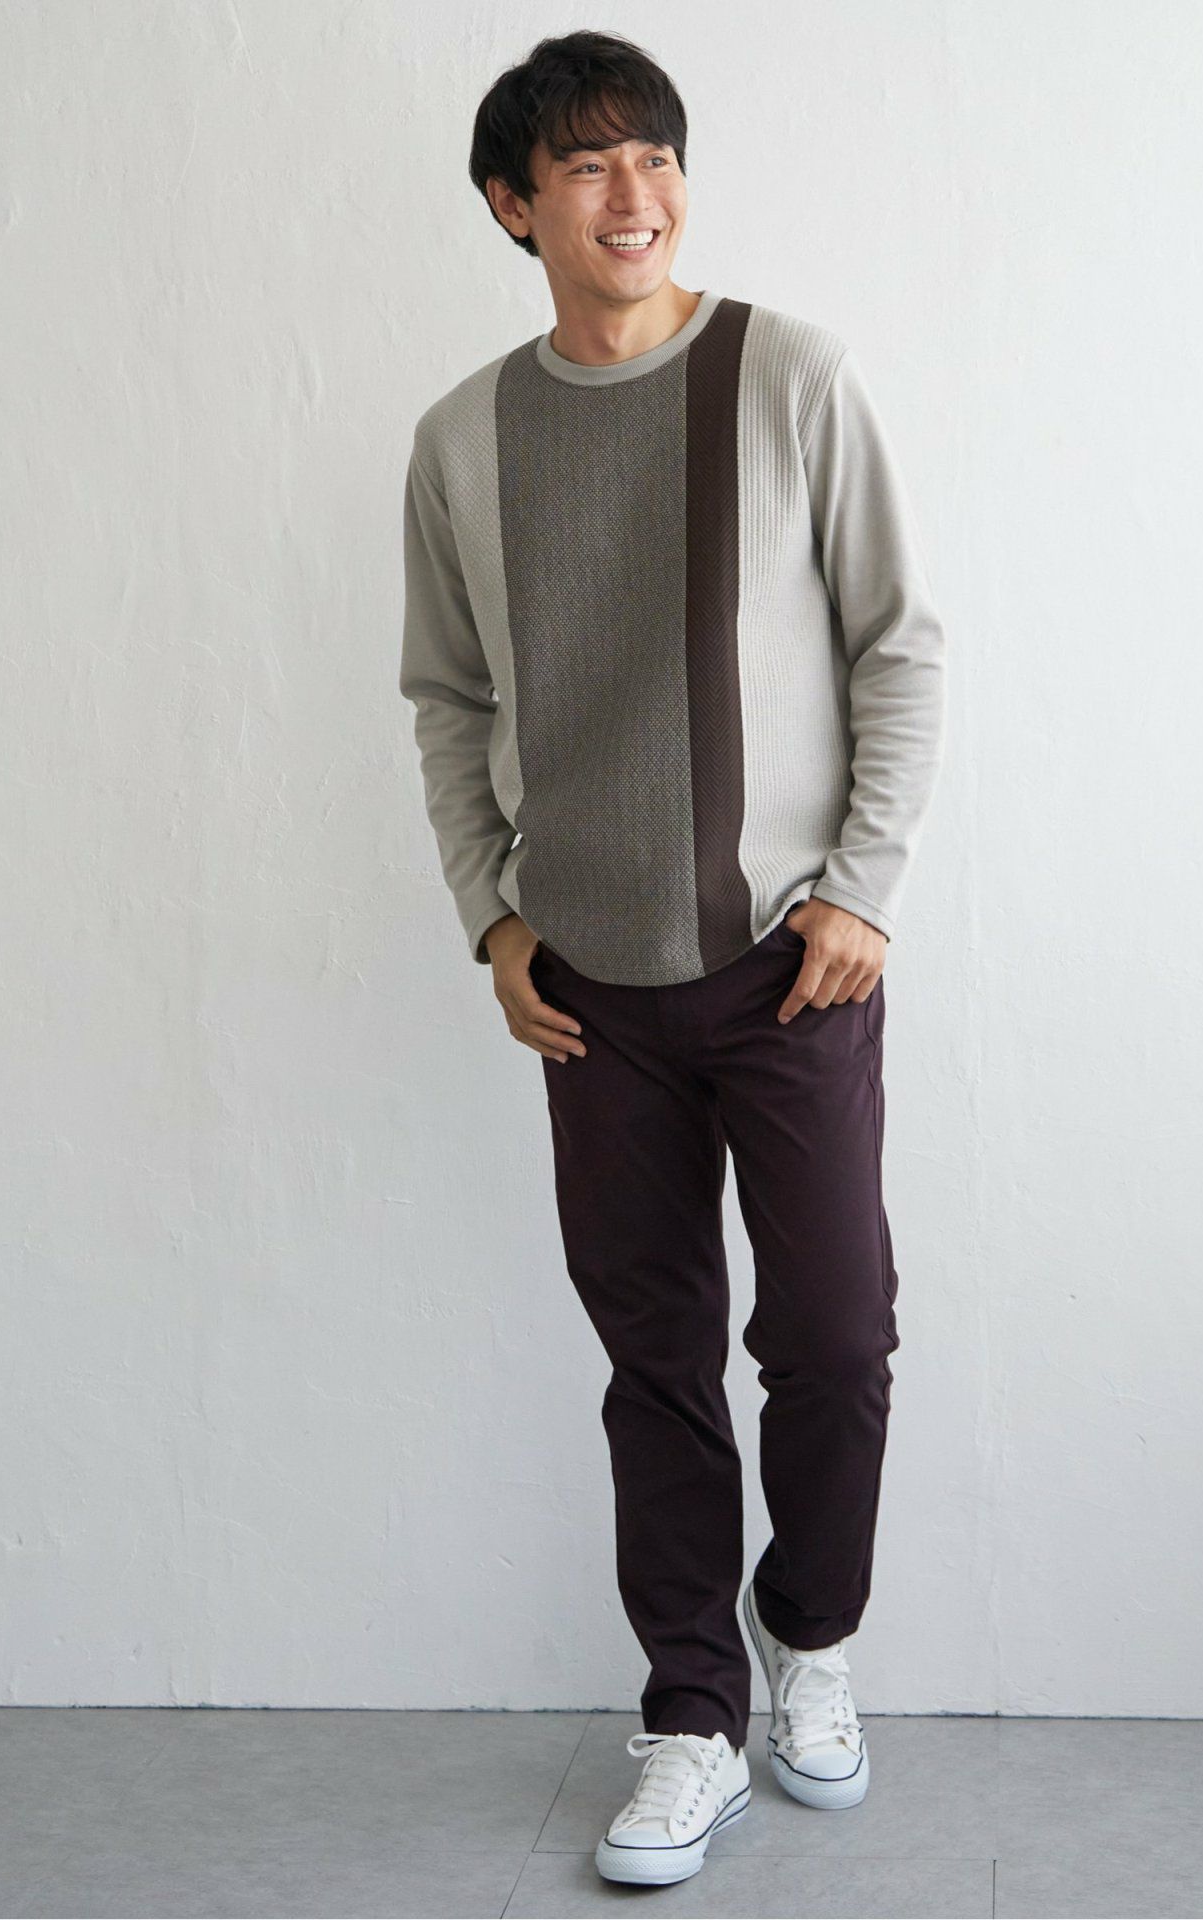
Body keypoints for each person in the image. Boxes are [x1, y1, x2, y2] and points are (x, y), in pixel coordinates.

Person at [399, 29, 947, 1890]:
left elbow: (898, 643)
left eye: (656, 157)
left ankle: (810, 1634)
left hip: (795, 969)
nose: (634, 196)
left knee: (836, 1340)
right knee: (657, 1363)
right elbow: (448, 697)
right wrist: (491, 915)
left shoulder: (791, 375)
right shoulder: (463, 440)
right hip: (590, 998)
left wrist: (863, 888)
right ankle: (694, 1714)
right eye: (585, 167)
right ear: (513, 206)